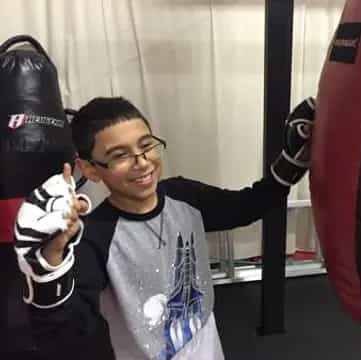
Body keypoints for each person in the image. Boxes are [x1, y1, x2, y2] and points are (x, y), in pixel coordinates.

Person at [14, 96, 315, 360]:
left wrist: (290, 162)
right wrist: (46, 265)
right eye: (120, 155)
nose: (142, 163)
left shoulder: (184, 196)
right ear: (90, 169)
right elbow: (65, 337)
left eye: (146, 146)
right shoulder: (96, 237)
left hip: (205, 345)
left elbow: (246, 206)